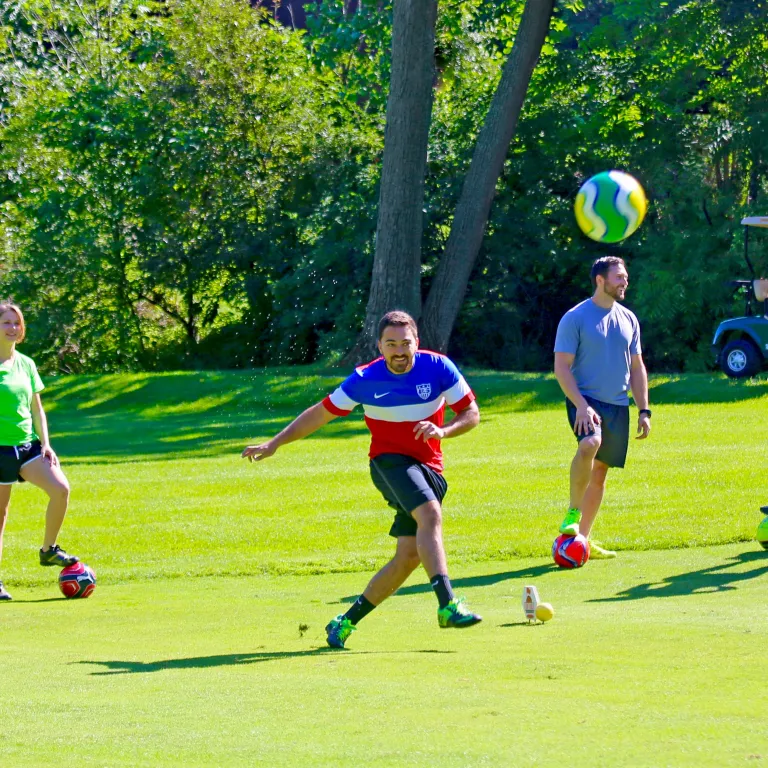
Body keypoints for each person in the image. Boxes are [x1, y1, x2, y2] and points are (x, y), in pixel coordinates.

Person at [242, 310, 482, 648]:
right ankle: (447, 604)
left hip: (431, 467)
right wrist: (275, 443)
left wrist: (443, 431)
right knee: (429, 514)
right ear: (379, 346)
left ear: (417, 343)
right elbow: (320, 413)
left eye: (405, 343)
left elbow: (471, 414)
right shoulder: (364, 379)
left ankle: (344, 622)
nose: (399, 351)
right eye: (391, 344)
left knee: (409, 557)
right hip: (388, 463)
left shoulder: (439, 367)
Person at [553, 257, 651, 558]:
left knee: (600, 473)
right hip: (585, 399)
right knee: (590, 443)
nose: (624, 283)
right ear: (600, 280)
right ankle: (572, 513)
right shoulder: (575, 317)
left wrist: (644, 410)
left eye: (625, 277)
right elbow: (561, 367)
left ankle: (582, 539)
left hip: (617, 403)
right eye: (619, 277)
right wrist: (580, 406)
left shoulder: (628, 319)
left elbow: (637, 367)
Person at [0, 302, 79, 601]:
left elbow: (37, 408)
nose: (12, 328)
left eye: (16, 323)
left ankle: (48, 550)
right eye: (6, 322)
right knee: (0, 516)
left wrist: (46, 443)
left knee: (61, 489)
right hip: (0, 450)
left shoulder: (26, 364)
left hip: (28, 446)